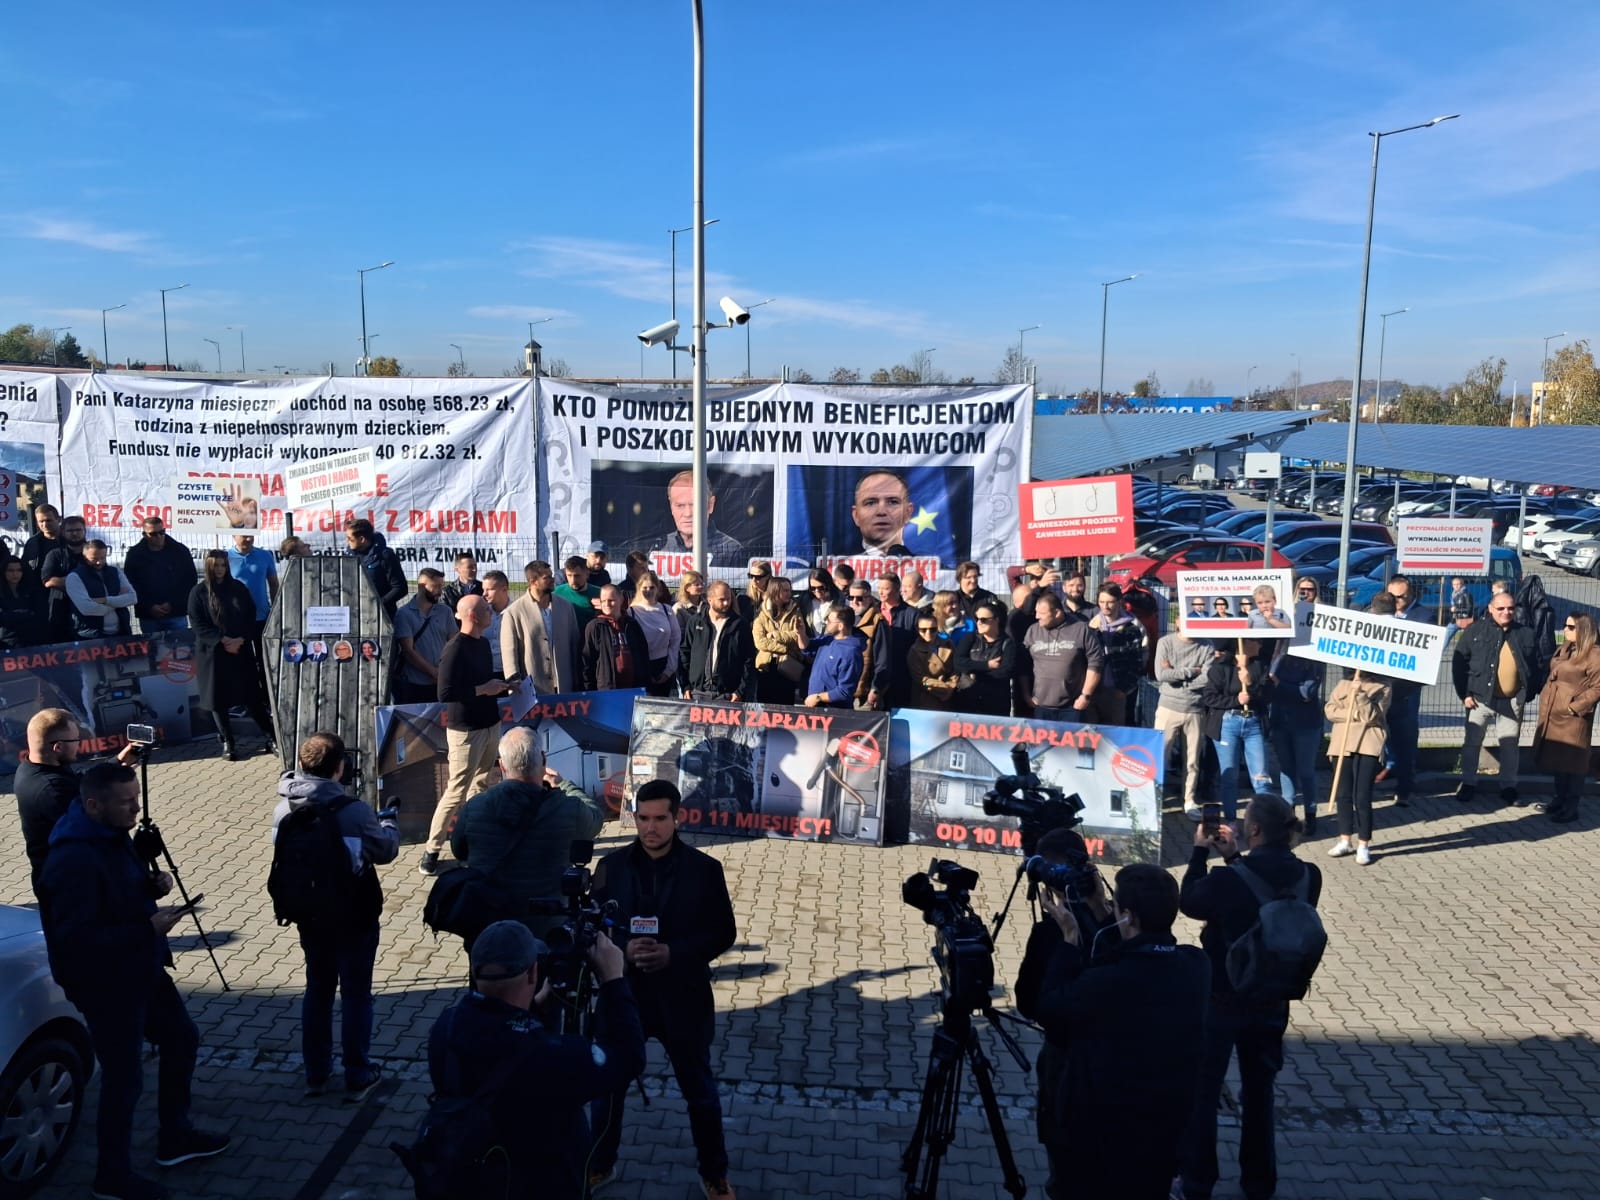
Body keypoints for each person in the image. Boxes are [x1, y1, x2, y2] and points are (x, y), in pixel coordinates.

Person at [39, 763, 232, 1198]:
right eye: (127, 802)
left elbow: (117, 896)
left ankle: (175, 1136)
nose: (136, 808)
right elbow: (78, 939)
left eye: (137, 798)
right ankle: (111, 1176)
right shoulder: (72, 859)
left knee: (182, 1038)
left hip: (141, 968)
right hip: (105, 984)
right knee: (124, 1080)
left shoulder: (108, 832)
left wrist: (151, 886)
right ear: (93, 804)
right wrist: (148, 928)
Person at [588, 780, 737, 1199]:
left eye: (660, 819)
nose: (650, 828)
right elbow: (592, 929)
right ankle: (599, 1164)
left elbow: (723, 932)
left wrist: (674, 953)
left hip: (682, 997)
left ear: (677, 818)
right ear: (634, 817)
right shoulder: (610, 868)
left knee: (700, 1091)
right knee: (606, 1089)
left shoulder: (705, 870)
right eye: (643, 819)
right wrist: (621, 949)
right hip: (624, 995)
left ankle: (714, 1172)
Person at [428, 920, 644, 1200]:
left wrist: (535, 1010)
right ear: (533, 973)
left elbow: (497, 1038)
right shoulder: (556, 1057)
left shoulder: (445, 1029)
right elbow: (629, 1058)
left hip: (471, 1181)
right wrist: (614, 980)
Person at [1035, 864, 1211, 1200]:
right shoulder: (1196, 966)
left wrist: (1070, 938)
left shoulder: (1108, 981)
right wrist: (1104, 911)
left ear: (1128, 916)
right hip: (1167, 1127)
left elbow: (1050, 1007)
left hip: (1104, 1132)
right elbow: (1135, 955)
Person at [1179, 794, 1321, 1200]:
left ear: (1254, 830)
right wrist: (1235, 860)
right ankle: (1259, 1184)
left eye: (1245, 822)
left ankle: (1197, 1181)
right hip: (1273, 999)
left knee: (1204, 1091)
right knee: (1260, 1092)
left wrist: (1199, 852)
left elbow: (1190, 900)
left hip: (1223, 998)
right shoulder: (1309, 875)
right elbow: (1268, 904)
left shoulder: (1227, 881)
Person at [272, 731, 399, 1099]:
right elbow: (384, 851)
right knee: (357, 995)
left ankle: (316, 1071)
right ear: (340, 768)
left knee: (319, 990)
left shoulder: (283, 808)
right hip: (353, 914)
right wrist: (389, 821)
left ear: (300, 763)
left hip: (309, 915)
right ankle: (358, 1072)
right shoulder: (353, 811)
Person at [1012, 827, 1118, 1200]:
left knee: (1067, 1163)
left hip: (1067, 1064)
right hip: (1120, 1064)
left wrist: (1062, 935)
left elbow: (1029, 1003)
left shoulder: (1050, 935)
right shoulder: (1122, 922)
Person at [450, 726, 605, 938]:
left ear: (502, 766)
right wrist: (563, 784)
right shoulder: (568, 808)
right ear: (543, 760)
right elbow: (595, 818)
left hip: (489, 927)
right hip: (548, 926)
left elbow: (459, 850)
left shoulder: (475, 807)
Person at [421, 596, 513, 876]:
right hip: (465, 731)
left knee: (481, 785)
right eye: (486, 610)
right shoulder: (454, 648)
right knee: (456, 790)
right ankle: (432, 850)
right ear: (472, 615)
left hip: (490, 724)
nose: (491, 612)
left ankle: (473, 843)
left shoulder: (483, 643)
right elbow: (445, 693)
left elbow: (485, 678)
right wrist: (481, 690)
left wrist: (507, 685)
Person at [1453, 589, 1540, 805]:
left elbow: (1538, 666)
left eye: (1511, 608)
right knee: (1472, 743)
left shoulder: (1526, 634)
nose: (1506, 612)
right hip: (1479, 699)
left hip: (1512, 701)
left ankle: (1509, 785)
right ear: (1491, 609)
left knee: (1510, 745)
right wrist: (1465, 694)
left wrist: (1527, 694)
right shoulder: (1475, 631)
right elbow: (1458, 662)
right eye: (1501, 608)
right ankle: (1469, 782)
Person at [189, 550, 276, 761]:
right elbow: (197, 622)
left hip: (240, 649)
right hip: (213, 654)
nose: (220, 569)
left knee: (252, 697)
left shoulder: (238, 588)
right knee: (217, 700)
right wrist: (222, 640)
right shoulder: (199, 592)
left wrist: (239, 639)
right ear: (209, 566)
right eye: (216, 565)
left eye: (223, 565)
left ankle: (272, 737)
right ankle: (228, 742)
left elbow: (250, 615)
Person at [1531, 612, 1600, 824]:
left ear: (1583, 630)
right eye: (1565, 625)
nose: (1565, 630)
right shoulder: (1565, 648)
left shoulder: (1594, 655)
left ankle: (1571, 806)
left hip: (1574, 717)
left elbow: (1598, 687)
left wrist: (1575, 707)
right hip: (1554, 711)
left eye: (1570, 627)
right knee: (1557, 759)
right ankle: (1559, 800)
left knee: (1574, 761)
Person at [1323, 671, 1391, 864]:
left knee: (1362, 796)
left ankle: (1363, 844)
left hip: (1368, 745)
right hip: (1341, 744)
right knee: (1343, 793)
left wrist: (1360, 695)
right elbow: (1330, 710)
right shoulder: (1344, 683)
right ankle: (1345, 839)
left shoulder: (1384, 687)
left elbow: (1373, 716)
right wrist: (1352, 714)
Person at [1202, 639, 1273, 819]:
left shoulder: (1260, 666)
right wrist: (1235, 701)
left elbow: (1268, 695)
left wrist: (1249, 683)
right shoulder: (1220, 668)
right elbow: (1209, 698)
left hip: (1254, 723)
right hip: (1228, 723)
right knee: (1229, 777)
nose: (1259, 645)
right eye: (1254, 642)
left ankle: (1263, 824)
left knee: (1261, 777)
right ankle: (1231, 821)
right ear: (1242, 646)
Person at [1155, 627, 1219, 818]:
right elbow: (1161, 675)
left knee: (1192, 760)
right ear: (1177, 621)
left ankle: (1189, 800)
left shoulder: (1207, 644)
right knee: (1159, 756)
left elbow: (1207, 677)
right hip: (1168, 707)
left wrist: (1177, 676)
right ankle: (1154, 798)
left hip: (1196, 709)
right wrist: (1192, 671)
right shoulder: (1165, 642)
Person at [1022, 591, 1104, 723]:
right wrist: (1026, 694)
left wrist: (1085, 695)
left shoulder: (1081, 629)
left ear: (1057, 613)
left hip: (1072, 707)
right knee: (1042, 744)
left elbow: (1096, 663)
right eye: (1036, 612)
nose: (1037, 616)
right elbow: (1024, 665)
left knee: (1071, 744)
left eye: (1042, 614)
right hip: (1041, 706)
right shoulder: (1033, 631)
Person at [1268, 645, 1324, 834]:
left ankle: (1310, 813)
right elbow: (1270, 682)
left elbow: (1307, 693)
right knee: (1286, 769)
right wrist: (1288, 688)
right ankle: (1288, 814)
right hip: (1280, 722)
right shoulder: (1280, 659)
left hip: (1306, 725)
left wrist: (1280, 685)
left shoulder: (1314, 662)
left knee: (1306, 771)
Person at [502, 560, 580, 694]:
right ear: (533, 581)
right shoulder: (514, 612)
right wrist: (514, 684)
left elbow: (575, 643)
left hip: (564, 686)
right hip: (532, 687)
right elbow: (509, 652)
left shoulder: (566, 606)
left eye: (552, 576)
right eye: (546, 578)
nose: (552, 580)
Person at [679, 580, 756, 702]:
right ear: (710, 599)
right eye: (721, 599)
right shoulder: (695, 622)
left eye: (729, 599)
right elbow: (684, 654)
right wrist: (686, 686)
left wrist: (740, 691)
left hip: (727, 695)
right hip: (697, 692)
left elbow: (749, 660)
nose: (726, 603)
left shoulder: (740, 625)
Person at [652, 470, 747, 567]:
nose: (688, 514)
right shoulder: (659, 548)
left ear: (710, 505)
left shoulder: (731, 551)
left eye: (695, 505)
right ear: (671, 506)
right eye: (680, 505)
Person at [123, 516, 197, 634]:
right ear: (144, 535)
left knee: (179, 649)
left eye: (161, 532)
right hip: (148, 615)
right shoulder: (135, 555)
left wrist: (173, 604)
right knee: (152, 650)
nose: (159, 537)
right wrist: (149, 606)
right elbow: (130, 584)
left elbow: (190, 580)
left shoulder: (180, 551)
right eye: (153, 534)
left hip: (175, 613)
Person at [391, 568, 454, 705]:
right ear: (421, 586)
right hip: (414, 684)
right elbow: (408, 650)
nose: (440, 591)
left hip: (442, 682)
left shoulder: (446, 612)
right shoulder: (404, 614)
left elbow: (454, 642)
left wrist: (446, 672)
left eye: (441, 586)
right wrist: (432, 672)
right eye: (435, 586)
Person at [1088, 583, 1148, 725]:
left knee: (1117, 734)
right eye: (1102, 602)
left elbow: (1138, 661)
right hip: (1095, 689)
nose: (1105, 606)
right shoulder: (1092, 626)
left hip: (1119, 691)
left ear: (1119, 602)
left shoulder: (1133, 627)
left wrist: (1124, 689)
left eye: (1110, 602)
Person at [951, 601, 1017, 717]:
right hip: (968, 698)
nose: (979, 622)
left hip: (995, 702)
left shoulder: (1007, 643)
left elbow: (1005, 671)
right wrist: (987, 665)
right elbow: (958, 662)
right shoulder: (970, 638)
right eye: (977, 619)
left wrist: (972, 671)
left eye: (984, 619)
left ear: (996, 620)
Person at [751, 574, 808, 704]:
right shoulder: (761, 613)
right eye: (785, 590)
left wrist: (775, 635)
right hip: (765, 667)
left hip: (787, 666)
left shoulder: (795, 611)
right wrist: (784, 648)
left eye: (790, 590)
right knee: (764, 705)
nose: (789, 593)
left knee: (785, 705)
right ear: (775, 591)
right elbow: (760, 641)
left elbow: (796, 635)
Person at [66, 539, 138, 639]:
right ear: (85, 558)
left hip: (122, 632)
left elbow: (132, 598)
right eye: (94, 559)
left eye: (103, 558)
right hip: (90, 636)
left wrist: (105, 600)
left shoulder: (115, 572)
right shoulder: (74, 577)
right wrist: (117, 604)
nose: (99, 562)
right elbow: (86, 608)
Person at [582, 583, 649, 690]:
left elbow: (643, 654)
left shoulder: (631, 624)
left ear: (621, 600)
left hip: (634, 687)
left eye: (611, 600)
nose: (607, 604)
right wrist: (589, 689)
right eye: (603, 601)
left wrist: (644, 681)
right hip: (607, 688)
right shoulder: (594, 627)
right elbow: (587, 661)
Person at [628, 569, 682, 696]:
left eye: (652, 587)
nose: (648, 591)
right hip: (641, 667)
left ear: (658, 589)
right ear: (639, 588)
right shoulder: (631, 612)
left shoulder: (667, 610)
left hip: (664, 665)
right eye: (645, 587)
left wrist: (668, 671)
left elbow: (675, 640)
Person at [803, 603, 864, 709]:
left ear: (841, 626)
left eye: (829, 621)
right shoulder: (828, 639)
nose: (826, 622)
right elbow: (807, 647)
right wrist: (800, 632)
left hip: (834, 712)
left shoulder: (851, 652)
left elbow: (845, 691)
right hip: (816, 707)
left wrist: (818, 697)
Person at [39, 512, 88, 640]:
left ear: (85, 530)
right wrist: (80, 583)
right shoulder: (54, 555)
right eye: (70, 530)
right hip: (60, 611)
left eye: (78, 530)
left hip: (89, 614)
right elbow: (48, 580)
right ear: (62, 532)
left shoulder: (93, 554)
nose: (75, 533)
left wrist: (64, 581)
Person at [344, 519, 406, 615]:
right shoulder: (348, 556)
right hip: (354, 613)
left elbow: (400, 588)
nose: (347, 541)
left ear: (362, 539)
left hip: (382, 615)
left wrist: (378, 603)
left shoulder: (385, 556)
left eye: (350, 538)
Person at [846, 579, 892, 708]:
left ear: (870, 598)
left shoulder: (879, 622)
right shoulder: (847, 618)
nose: (854, 602)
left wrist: (876, 689)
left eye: (859, 598)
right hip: (845, 692)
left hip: (866, 694)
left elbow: (883, 661)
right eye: (851, 597)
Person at [850, 468, 913, 555]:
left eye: (892, 502)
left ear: (907, 513)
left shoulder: (932, 566)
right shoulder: (836, 566)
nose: (881, 512)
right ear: (856, 516)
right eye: (870, 503)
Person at [226, 532, 280, 634]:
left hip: (262, 616)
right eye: (244, 536)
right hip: (237, 616)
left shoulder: (265, 555)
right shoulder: (226, 557)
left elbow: (274, 584)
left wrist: (276, 609)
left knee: (263, 649)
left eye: (251, 535)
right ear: (234, 536)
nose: (249, 539)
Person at [906, 611, 960, 709]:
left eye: (933, 629)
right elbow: (921, 679)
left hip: (948, 700)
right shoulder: (914, 651)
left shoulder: (948, 644)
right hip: (924, 700)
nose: (928, 633)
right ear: (917, 630)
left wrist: (951, 685)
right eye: (923, 630)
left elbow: (956, 668)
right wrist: (944, 687)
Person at [0, 556, 49, 649]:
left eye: (19, 570)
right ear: (3, 572)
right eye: (10, 570)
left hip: (31, 639)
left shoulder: (32, 591)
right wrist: (25, 614)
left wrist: (14, 615)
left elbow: (40, 614)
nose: (15, 574)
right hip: (6, 642)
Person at [556, 555, 602, 630]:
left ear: (587, 574)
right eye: (569, 575)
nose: (573, 580)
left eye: (577, 576)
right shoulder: (556, 593)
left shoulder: (599, 593)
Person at [480, 570, 512, 673]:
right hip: (484, 672)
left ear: (504, 589)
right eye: (483, 589)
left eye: (489, 589)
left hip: (509, 674)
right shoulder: (481, 613)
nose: (484, 594)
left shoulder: (516, 613)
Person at [21, 502, 63, 578]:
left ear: (59, 519)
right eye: (41, 521)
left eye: (48, 520)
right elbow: (26, 567)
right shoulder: (32, 543)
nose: (45, 524)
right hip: (37, 587)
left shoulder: (70, 541)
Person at [798, 568, 839, 638]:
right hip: (812, 643)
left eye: (821, 588)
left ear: (828, 585)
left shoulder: (840, 601)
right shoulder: (804, 601)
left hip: (832, 643)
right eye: (813, 588)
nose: (817, 591)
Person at [673, 569, 708, 637]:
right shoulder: (679, 608)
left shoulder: (708, 604)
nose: (701, 586)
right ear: (687, 588)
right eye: (697, 584)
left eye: (701, 583)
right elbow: (678, 633)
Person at [737, 560, 771, 624]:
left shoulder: (775, 595)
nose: (754, 580)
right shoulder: (743, 597)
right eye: (751, 576)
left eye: (758, 577)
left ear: (767, 576)